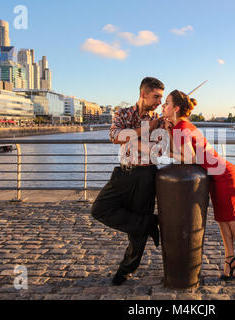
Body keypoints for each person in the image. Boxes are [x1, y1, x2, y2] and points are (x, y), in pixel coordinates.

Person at [162, 90, 235, 280]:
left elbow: (190, 158)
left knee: (232, 220)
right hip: (216, 176)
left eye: (166, 103)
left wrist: (167, 154)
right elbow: (185, 152)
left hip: (225, 174)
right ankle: (229, 261)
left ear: (175, 108)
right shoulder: (181, 126)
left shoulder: (181, 126)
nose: (162, 107)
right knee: (223, 221)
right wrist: (169, 131)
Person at [91, 77, 166, 286]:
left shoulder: (159, 120)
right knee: (99, 209)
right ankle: (150, 223)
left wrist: (161, 127)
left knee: (136, 237)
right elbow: (114, 136)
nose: (159, 102)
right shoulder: (123, 113)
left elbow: (157, 150)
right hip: (123, 173)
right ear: (144, 93)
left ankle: (125, 270)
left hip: (146, 176)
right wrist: (145, 129)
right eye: (156, 97)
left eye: (161, 97)